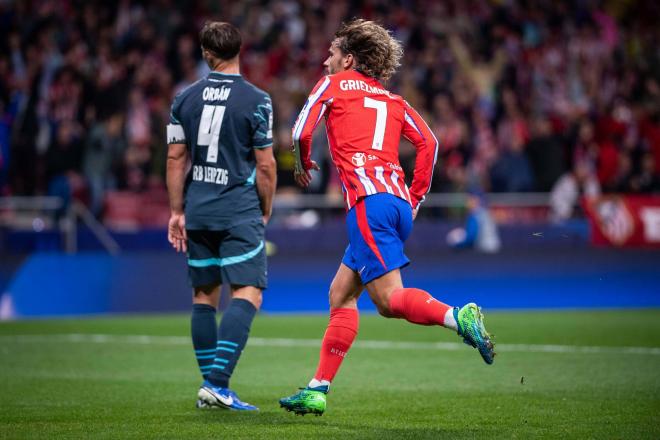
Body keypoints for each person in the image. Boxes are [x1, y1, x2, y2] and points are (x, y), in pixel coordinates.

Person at [279, 19, 495, 416]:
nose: (326, 61)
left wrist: (302, 160)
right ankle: (317, 388)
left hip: (368, 204)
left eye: (331, 54)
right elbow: (428, 142)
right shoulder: (392, 100)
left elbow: (301, 128)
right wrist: (414, 198)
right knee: (341, 293)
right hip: (396, 205)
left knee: (388, 300)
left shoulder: (334, 85)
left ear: (349, 58)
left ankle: (457, 317)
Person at [166, 22, 277, 411]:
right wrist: (266, 208)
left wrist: (177, 210)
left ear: (206, 53)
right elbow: (265, 166)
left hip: (198, 207)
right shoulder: (257, 100)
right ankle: (217, 382)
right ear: (239, 50)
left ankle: (209, 389)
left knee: (204, 296)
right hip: (237, 209)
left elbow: (176, 158)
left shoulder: (183, 99)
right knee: (248, 291)